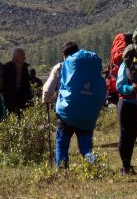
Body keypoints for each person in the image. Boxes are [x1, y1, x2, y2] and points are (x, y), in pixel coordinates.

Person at [46, 41, 107, 169]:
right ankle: (95, 168)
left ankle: (62, 171)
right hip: (88, 115)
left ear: (64, 54)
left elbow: (47, 89)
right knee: (86, 148)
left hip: (67, 113)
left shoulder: (61, 66)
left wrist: (46, 98)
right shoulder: (90, 65)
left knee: (62, 144)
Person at [115, 56, 137, 175]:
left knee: (132, 136)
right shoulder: (125, 65)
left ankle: (126, 167)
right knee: (125, 135)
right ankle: (125, 167)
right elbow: (119, 86)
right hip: (126, 103)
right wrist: (131, 88)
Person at [0, 47, 34, 115]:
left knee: (22, 115)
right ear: (16, 57)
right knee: (9, 115)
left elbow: (27, 84)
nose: (24, 57)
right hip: (9, 97)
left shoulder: (25, 68)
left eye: (24, 55)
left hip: (22, 96)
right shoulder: (7, 67)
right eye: (22, 55)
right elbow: (3, 82)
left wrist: (30, 97)